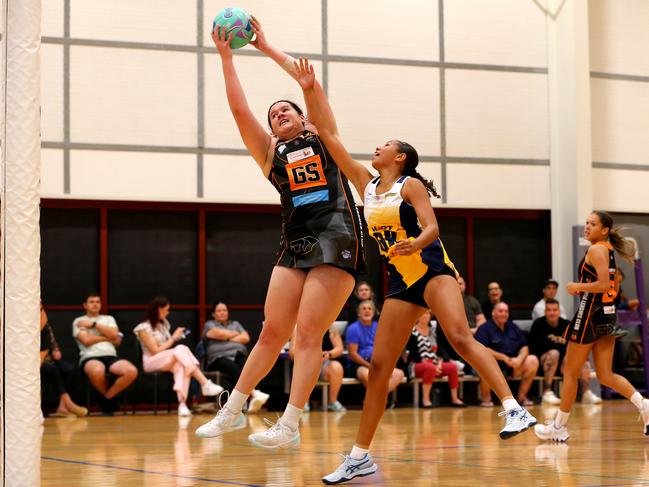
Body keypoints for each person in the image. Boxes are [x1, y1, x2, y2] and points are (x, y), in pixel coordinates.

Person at [287, 58, 536, 484]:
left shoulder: (410, 185)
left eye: (385, 145)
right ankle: (360, 455)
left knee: (458, 336)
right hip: (401, 283)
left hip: (433, 269)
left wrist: (416, 242)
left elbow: (433, 226)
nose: (377, 148)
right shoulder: (366, 184)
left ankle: (514, 407)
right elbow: (329, 137)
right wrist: (310, 88)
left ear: (399, 157)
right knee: (380, 368)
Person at [195, 19, 365, 449]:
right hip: (295, 242)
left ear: (303, 117)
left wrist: (267, 47)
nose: (278, 114)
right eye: (273, 115)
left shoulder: (325, 137)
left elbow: (310, 87)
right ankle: (232, 411)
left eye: (286, 109)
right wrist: (226, 57)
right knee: (273, 331)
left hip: (339, 235)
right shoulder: (273, 154)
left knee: (307, 335)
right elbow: (239, 112)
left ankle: (289, 422)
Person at [535, 211, 649, 442]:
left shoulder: (596, 250)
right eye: (586, 223)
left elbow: (604, 284)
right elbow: (614, 289)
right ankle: (644, 404)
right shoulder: (608, 250)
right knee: (606, 375)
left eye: (592, 224)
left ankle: (558, 427)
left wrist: (577, 286)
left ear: (604, 230)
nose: (587, 227)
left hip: (588, 315)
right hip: (606, 316)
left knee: (570, 373)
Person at [134, 296, 223, 417]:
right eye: (166, 310)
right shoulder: (143, 328)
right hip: (151, 361)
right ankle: (204, 383)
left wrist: (176, 337)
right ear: (158, 309)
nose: (168, 313)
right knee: (181, 348)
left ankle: (182, 404)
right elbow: (155, 350)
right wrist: (173, 338)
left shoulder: (164, 326)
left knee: (180, 365)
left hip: (166, 359)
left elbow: (166, 347)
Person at [73, 293, 138, 414]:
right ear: (85, 305)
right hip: (90, 356)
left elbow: (114, 335)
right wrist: (107, 337)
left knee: (131, 371)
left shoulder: (109, 319)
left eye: (98, 302)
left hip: (111, 355)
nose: (95, 304)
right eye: (92, 302)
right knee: (98, 370)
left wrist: (94, 325)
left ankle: (106, 399)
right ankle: (109, 402)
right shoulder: (79, 321)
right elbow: (86, 341)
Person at [528, 299, 601, 405]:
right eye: (549, 310)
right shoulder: (538, 324)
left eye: (554, 310)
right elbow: (533, 348)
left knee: (582, 360)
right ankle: (547, 393)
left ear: (559, 311)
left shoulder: (567, 324)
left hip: (565, 363)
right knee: (554, 353)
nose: (552, 313)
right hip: (544, 363)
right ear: (545, 312)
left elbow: (574, 346)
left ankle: (586, 393)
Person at [202, 301, 269, 413]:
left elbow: (246, 337)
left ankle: (243, 402)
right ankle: (253, 394)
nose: (222, 313)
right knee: (234, 368)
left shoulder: (235, 324)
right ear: (213, 314)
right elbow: (214, 333)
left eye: (224, 310)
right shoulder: (209, 324)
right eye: (219, 310)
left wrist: (226, 337)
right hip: (218, 358)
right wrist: (235, 334)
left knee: (248, 365)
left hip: (237, 354)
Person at [475, 302, 539, 407]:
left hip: (512, 365)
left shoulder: (513, 327)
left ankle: (521, 398)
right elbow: (482, 349)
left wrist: (519, 359)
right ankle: (486, 399)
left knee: (532, 360)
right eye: (500, 311)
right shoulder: (485, 328)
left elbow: (525, 347)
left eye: (506, 311)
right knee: (484, 363)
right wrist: (503, 357)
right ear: (493, 313)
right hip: (493, 363)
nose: (504, 314)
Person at [403, 310, 465, 408]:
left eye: (427, 313)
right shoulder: (412, 331)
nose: (425, 315)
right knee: (430, 368)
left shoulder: (433, 331)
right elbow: (412, 352)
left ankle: (455, 398)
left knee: (452, 367)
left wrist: (439, 364)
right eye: (422, 313)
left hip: (435, 362)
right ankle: (426, 400)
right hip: (417, 363)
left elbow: (440, 350)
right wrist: (432, 365)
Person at [345, 301, 404, 398]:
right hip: (359, 365)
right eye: (364, 309)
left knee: (399, 374)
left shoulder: (379, 326)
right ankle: (378, 400)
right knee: (367, 374)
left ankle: (377, 399)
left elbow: (386, 348)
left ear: (374, 312)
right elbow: (353, 354)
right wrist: (370, 366)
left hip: (378, 363)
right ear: (359, 313)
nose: (367, 311)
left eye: (369, 308)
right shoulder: (353, 328)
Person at [40, 304, 88, 418]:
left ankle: (62, 406)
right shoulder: (26, 324)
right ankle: (68, 403)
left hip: (48, 356)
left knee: (69, 369)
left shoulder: (45, 325)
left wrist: (55, 349)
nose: (42, 313)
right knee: (52, 369)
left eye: (42, 310)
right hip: (37, 359)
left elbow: (50, 340)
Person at [288, 322, 347, 413]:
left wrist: (329, 354)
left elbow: (339, 348)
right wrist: (309, 356)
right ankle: (303, 404)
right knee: (301, 369)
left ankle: (333, 402)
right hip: (305, 364)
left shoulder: (330, 326)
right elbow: (292, 352)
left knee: (337, 367)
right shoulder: (298, 327)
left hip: (323, 364)